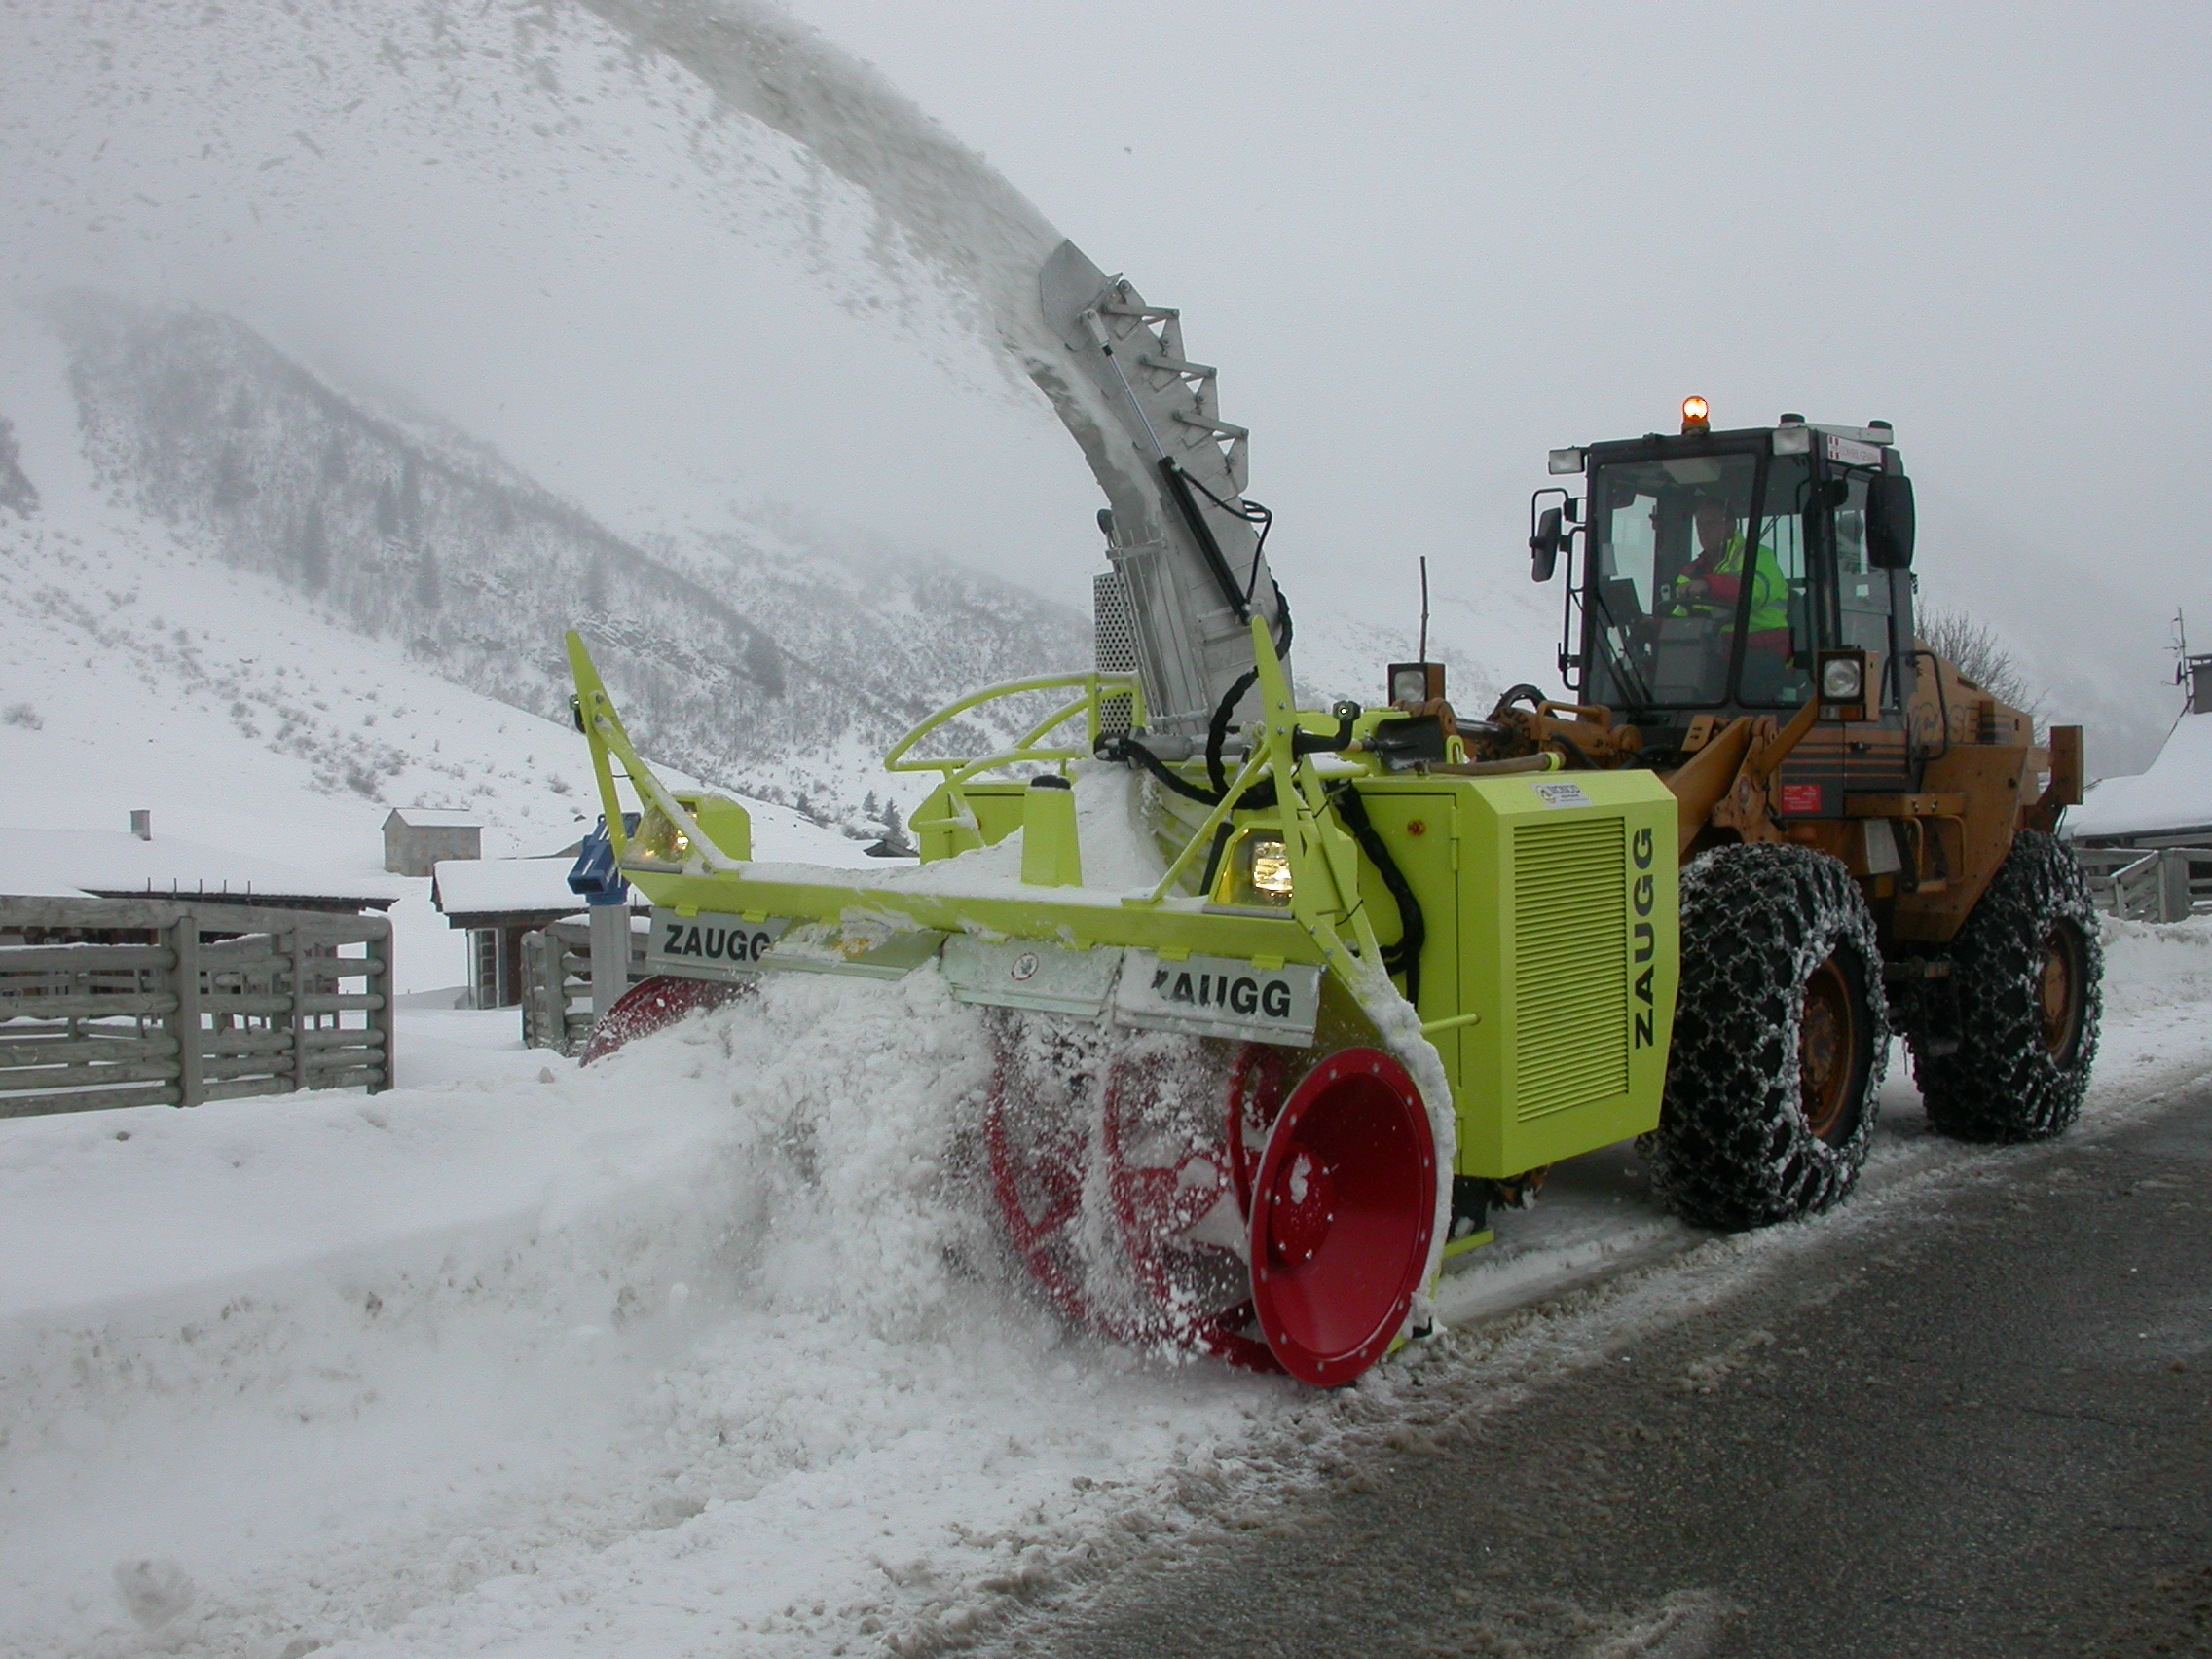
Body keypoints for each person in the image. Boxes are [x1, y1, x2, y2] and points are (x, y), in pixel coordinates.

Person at [1668, 498, 1793, 692]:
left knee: (1714, 675)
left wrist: (1708, 585)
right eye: (1699, 525)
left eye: (1710, 524)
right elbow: (1681, 617)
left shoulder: (1758, 556)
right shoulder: (1691, 572)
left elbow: (1753, 592)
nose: (1703, 530)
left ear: (1730, 525)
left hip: (1760, 649)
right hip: (1715, 653)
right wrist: (1657, 628)